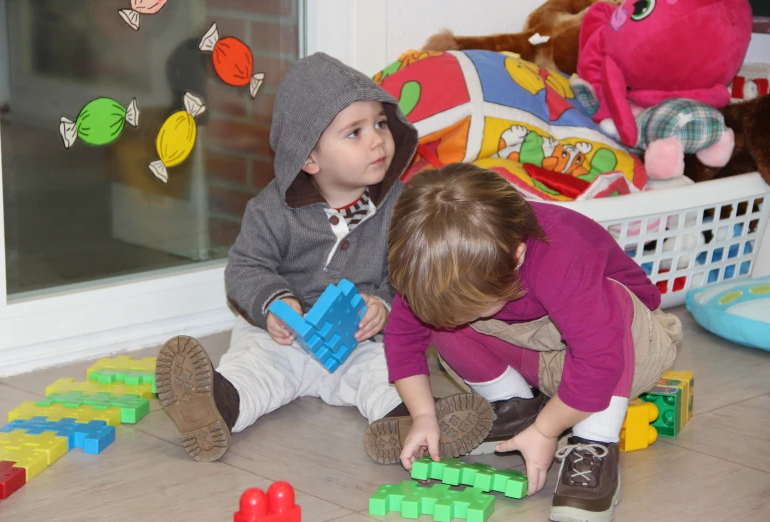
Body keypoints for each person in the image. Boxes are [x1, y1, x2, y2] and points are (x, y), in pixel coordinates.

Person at [154, 54, 494, 465]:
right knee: (255, 371)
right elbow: (245, 268)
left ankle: (411, 425)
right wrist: (274, 304)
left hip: (356, 341)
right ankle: (212, 408)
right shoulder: (270, 210)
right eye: (354, 133)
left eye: (381, 124)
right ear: (309, 159)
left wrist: (382, 306)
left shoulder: (400, 207)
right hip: (282, 337)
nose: (377, 140)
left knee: (384, 374)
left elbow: (410, 274)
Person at [383, 162, 683, 522]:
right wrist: (423, 415)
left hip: (630, 351)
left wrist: (547, 431)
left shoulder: (562, 251)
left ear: (517, 256)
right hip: (544, 357)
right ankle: (516, 407)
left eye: (471, 307)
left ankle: (593, 443)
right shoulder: (435, 263)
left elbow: (598, 359)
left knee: (610, 305)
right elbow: (402, 337)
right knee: (442, 318)